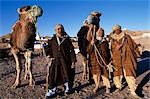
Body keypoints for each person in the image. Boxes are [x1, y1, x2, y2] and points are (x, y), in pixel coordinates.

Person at [45, 24, 77, 97]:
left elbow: (71, 51)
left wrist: (73, 61)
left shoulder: (67, 40)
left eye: (61, 28)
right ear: (55, 30)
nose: (60, 30)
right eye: (58, 29)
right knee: (53, 76)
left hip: (65, 61)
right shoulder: (52, 40)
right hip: (55, 61)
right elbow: (48, 48)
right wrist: (48, 55)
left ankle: (67, 89)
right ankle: (52, 90)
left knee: (66, 75)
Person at [110, 25, 141, 98]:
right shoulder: (112, 40)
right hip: (117, 60)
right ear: (114, 31)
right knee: (117, 74)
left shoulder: (127, 37)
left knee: (130, 74)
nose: (117, 31)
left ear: (120, 29)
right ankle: (118, 87)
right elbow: (111, 50)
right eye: (115, 30)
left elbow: (134, 46)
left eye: (118, 29)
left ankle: (133, 91)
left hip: (127, 58)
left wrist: (137, 54)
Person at [77, 11, 101, 80]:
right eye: (97, 15)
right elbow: (89, 22)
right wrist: (88, 26)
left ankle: (92, 75)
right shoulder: (90, 18)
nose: (98, 16)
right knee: (85, 58)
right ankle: (85, 72)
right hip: (85, 38)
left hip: (93, 33)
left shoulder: (97, 20)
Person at [95, 28, 111, 93]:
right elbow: (89, 50)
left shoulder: (105, 42)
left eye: (102, 32)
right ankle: (97, 86)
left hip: (104, 61)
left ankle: (107, 87)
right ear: (97, 33)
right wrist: (91, 43)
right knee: (97, 74)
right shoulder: (94, 42)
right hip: (96, 61)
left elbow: (108, 52)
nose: (100, 33)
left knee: (105, 74)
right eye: (99, 32)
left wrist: (109, 60)